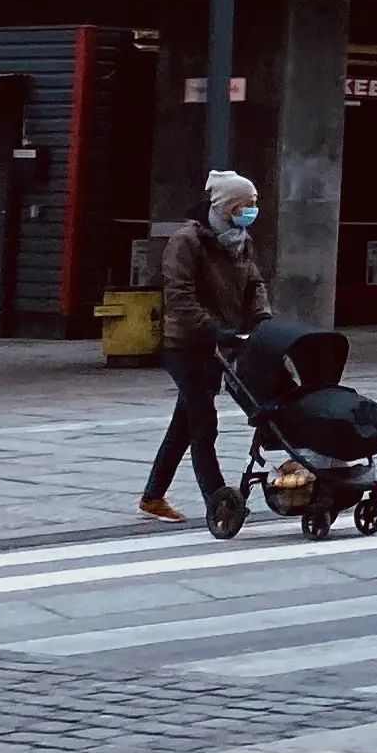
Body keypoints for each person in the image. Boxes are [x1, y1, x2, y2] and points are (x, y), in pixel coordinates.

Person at [145, 168, 267, 523]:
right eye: (246, 204)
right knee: (203, 423)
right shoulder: (188, 241)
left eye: (255, 203)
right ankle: (220, 503)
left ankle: (152, 496)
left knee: (183, 423)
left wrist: (261, 317)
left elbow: (255, 283)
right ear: (227, 205)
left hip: (219, 344)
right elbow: (179, 296)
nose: (252, 210)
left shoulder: (241, 239)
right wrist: (214, 329)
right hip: (186, 345)